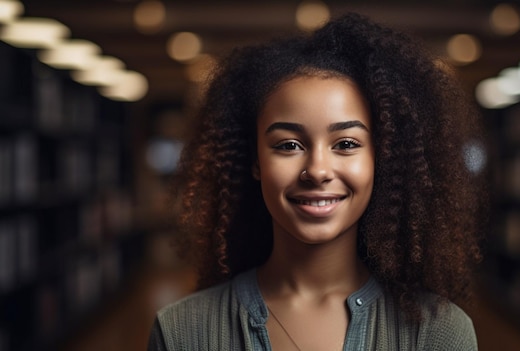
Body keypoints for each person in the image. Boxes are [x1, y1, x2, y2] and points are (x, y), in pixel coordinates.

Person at [148, 12, 483, 351]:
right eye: (289, 145)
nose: (318, 170)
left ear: (380, 159)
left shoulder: (439, 333)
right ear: (255, 161)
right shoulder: (180, 333)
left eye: (346, 144)